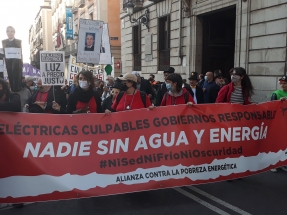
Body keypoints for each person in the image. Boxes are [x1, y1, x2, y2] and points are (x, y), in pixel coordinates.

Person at [270, 75, 287, 172]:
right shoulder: (276, 93)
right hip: (278, 122)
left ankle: (282, 163)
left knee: (284, 144)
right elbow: (272, 106)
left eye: (285, 83)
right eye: (282, 83)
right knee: (276, 143)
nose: (283, 85)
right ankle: (273, 164)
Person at [2, 26, 23, 92]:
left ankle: (16, 89)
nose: (10, 33)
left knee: (16, 76)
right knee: (10, 75)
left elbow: (19, 54)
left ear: (14, 32)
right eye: (8, 31)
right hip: (8, 64)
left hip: (16, 64)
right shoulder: (4, 42)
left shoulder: (18, 42)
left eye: (11, 31)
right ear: (6, 32)